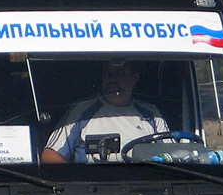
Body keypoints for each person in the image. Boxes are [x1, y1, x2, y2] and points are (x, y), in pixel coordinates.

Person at [41, 58, 170, 164]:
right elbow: (50, 155)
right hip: (94, 190)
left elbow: (172, 155)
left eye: (120, 74)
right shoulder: (81, 111)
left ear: (134, 79)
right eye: (109, 74)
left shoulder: (151, 114)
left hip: (144, 188)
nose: (113, 79)